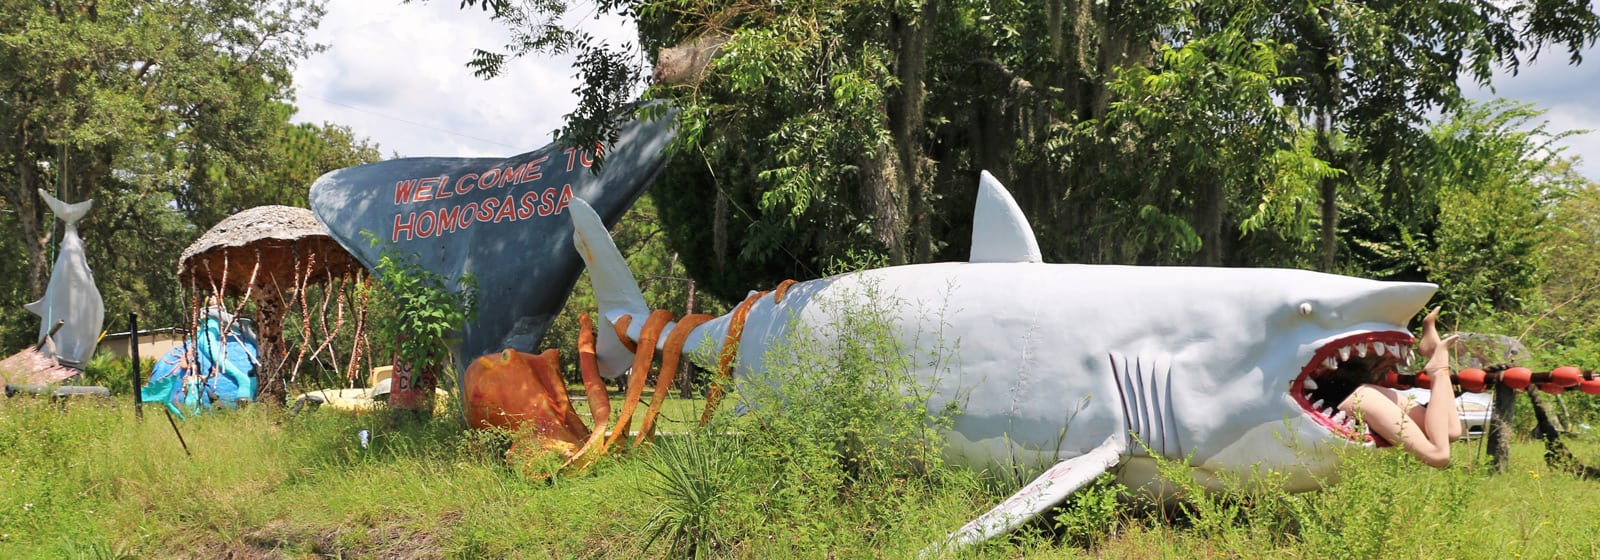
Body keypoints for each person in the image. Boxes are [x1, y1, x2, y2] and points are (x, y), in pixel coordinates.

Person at [1337, 307, 1460, 467]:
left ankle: (1436, 363)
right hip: (1358, 396)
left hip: (1361, 394)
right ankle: (1437, 366)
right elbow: (1439, 456)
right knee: (1439, 452)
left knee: (1451, 431)